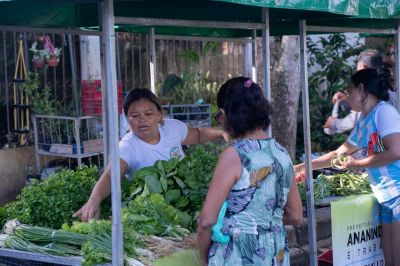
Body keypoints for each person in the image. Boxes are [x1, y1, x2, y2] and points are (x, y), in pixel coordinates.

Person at [73, 88, 229, 222]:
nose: (142, 120)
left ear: (160, 115)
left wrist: (222, 132)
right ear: (127, 119)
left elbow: (199, 134)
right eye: (134, 116)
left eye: (149, 113)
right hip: (152, 215)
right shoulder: (127, 147)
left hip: (186, 204)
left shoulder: (172, 128)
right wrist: (94, 200)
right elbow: (110, 175)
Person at [295, 68, 400, 265]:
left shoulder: (384, 112)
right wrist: (302, 167)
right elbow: (339, 153)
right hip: (386, 198)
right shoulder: (364, 120)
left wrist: (357, 164)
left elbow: (396, 151)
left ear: (361, 89)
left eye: (349, 89)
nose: (347, 95)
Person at [197, 77, 302, 266]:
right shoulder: (281, 152)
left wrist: (203, 259)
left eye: (219, 116)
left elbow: (206, 220)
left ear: (226, 114)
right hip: (274, 253)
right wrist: (263, 221)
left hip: (238, 255)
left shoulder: (235, 154)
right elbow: (295, 215)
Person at [324, 49, 385, 134]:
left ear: (361, 66)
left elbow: (360, 115)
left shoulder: (369, 86)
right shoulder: (384, 82)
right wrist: (346, 100)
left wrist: (335, 123)